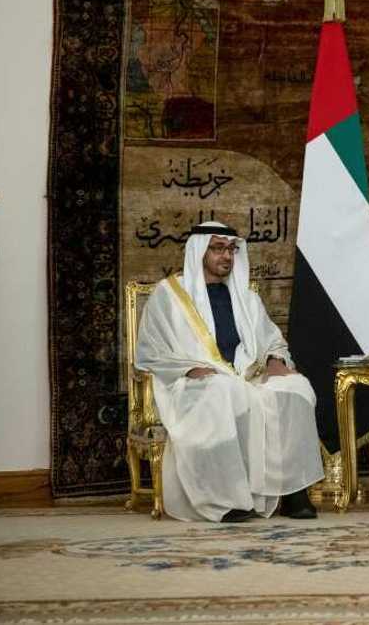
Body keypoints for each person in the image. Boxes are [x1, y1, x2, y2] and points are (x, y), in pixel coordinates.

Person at [135, 221, 324, 522]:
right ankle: (226, 501)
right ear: (199, 252)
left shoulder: (245, 297)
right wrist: (190, 368)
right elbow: (151, 351)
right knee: (222, 390)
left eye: (231, 250)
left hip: (244, 376)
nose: (226, 256)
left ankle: (292, 493)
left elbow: (271, 340)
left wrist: (276, 360)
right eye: (217, 249)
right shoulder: (169, 295)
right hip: (192, 383)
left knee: (296, 387)